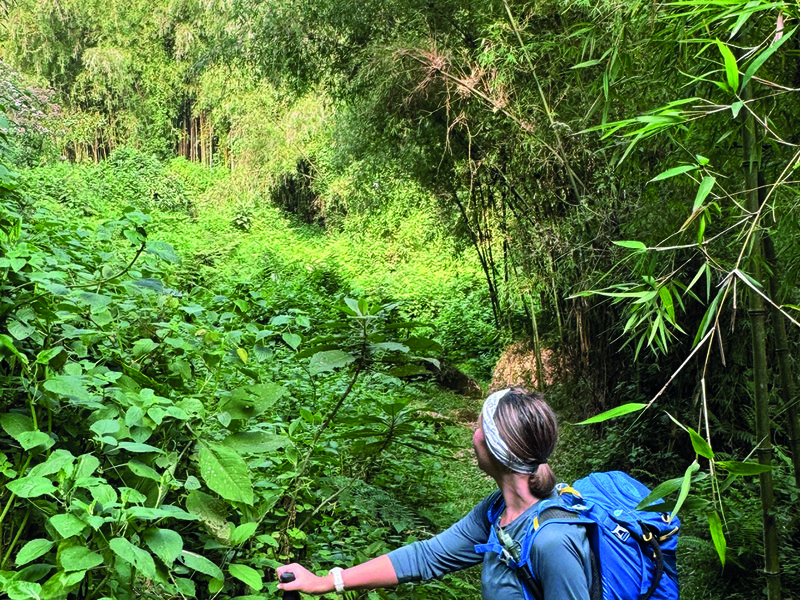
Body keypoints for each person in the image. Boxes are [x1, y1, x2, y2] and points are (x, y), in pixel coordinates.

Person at [277, 387, 593, 600]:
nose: (474, 435)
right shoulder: (497, 511)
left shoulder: (552, 542)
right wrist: (327, 581)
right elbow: (428, 556)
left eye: (480, 427)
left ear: (496, 448)